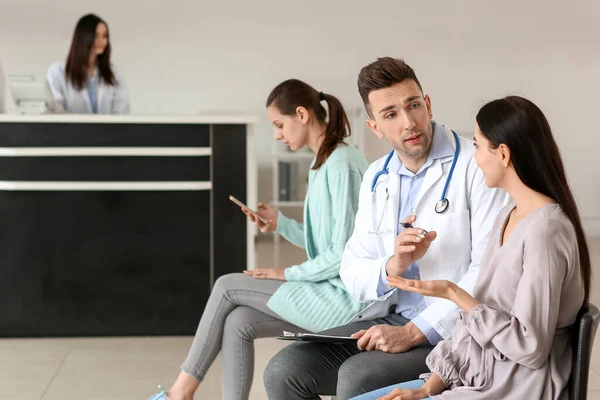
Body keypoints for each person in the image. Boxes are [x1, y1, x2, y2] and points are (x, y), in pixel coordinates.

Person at [263, 57, 510, 400]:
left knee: (358, 377)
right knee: (284, 371)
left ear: (427, 104)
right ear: (375, 127)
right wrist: (391, 266)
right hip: (389, 318)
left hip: (454, 331)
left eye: (413, 106)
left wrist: (414, 331)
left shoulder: (475, 166)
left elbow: (488, 272)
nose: (409, 123)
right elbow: (352, 268)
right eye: (391, 114)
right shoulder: (376, 177)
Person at [351, 95, 591, 400]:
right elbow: (473, 327)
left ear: (502, 154)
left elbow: (529, 347)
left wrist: (456, 294)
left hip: (516, 387)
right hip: (480, 375)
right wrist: (428, 388)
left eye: (477, 146)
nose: (474, 157)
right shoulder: (507, 216)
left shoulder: (546, 232)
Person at [148, 79, 369, 400]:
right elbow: (326, 240)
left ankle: (179, 393)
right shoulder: (322, 162)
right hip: (327, 291)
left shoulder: (342, 164)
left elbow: (341, 255)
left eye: (280, 124)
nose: (278, 134)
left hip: (346, 302)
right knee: (238, 321)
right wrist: (281, 224)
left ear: (302, 114)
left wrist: (286, 273)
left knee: (227, 285)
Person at [46, 13, 129, 114]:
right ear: (83, 38)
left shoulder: (114, 75)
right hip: (70, 130)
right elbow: (55, 112)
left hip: (108, 130)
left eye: (104, 36)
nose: (101, 41)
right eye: (96, 36)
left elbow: (121, 114)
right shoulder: (57, 73)